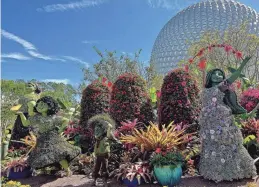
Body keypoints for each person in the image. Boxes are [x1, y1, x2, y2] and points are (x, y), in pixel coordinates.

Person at [199, 56, 258, 182]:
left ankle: (232, 171)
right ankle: (215, 172)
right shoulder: (205, 90)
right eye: (214, 73)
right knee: (211, 145)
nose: (217, 75)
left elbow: (234, 76)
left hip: (222, 122)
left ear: (223, 78)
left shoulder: (220, 87)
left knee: (226, 145)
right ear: (210, 76)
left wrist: (242, 65)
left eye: (220, 74)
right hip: (209, 122)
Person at [17, 96, 81, 176]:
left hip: (53, 138)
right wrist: (21, 114)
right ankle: (45, 171)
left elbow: (66, 120)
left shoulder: (53, 117)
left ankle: (68, 170)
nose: (39, 106)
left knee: (58, 154)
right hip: (42, 139)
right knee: (42, 156)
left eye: (43, 105)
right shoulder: (37, 117)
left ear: (50, 106)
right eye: (38, 105)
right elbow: (26, 123)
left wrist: (60, 130)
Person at [88, 114, 121, 187]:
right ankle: (94, 180)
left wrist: (108, 126)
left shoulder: (107, 137)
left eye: (98, 129)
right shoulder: (97, 138)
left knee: (104, 168)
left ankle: (105, 181)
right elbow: (96, 134)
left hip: (104, 155)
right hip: (98, 155)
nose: (96, 131)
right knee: (96, 168)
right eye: (96, 130)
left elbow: (110, 133)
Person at [10, 82, 41, 149]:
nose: (28, 86)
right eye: (27, 85)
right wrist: (14, 109)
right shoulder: (23, 97)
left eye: (30, 85)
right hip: (20, 119)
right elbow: (18, 107)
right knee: (17, 134)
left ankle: (25, 150)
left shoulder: (35, 97)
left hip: (29, 118)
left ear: (35, 88)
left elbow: (34, 109)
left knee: (28, 134)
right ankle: (15, 150)